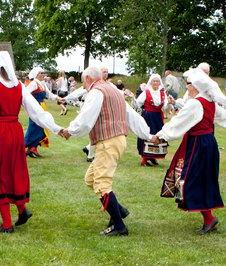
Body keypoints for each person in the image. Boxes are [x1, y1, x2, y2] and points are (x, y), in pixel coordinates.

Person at [0, 52, 61, 233]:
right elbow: (37, 112)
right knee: (14, 171)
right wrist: (57, 128)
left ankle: (7, 224)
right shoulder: (18, 85)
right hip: (15, 132)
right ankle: (22, 209)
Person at [59, 66, 151, 237]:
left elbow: (85, 118)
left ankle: (119, 225)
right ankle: (119, 211)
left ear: (88, 78)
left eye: (83, 80)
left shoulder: (97, 92)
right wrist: (147, 134)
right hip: (116, 140)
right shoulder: (113, 90)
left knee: (102, 183)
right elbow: (132, 115)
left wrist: (70, 131)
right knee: (91, 179)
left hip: (108, 141)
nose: (83, 84)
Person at [151, 68, 226, 234]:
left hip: (198, 144)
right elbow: (224, 117)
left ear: (197, 86)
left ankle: (209, 218)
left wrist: (161, 136)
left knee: (191, 179)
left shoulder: (197, 103)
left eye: (189, 84)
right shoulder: (208, 101)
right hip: (207, 142)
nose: (187, 87)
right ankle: (209, 218)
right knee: (200, 179)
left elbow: (179, 122)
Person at [135, 74, 170, 166]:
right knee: (147, 134)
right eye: (154, 81)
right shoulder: (146, 92)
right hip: (148, 116)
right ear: (150, 82)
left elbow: (165, 106)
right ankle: (144, 159)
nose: (155, 83)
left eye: (157, 81)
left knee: (158, 135)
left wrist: (169, 103)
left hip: (158, 117)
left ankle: (153, 156)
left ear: (159, 83)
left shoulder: (162, 94)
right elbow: (138, 103)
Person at [23, 67, 59, 158]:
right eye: (41, 73)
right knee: (34, 127)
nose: (43, 74)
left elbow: (48, 94)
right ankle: (23, 146)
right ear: (36, 74)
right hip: (35, 107)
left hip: (42, 107)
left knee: (42, 128)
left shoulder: (42, 83)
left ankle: (33, 148)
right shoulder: (34, 83)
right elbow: (25, 93)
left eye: (43, 73)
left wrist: (58, 98)